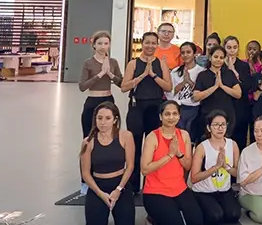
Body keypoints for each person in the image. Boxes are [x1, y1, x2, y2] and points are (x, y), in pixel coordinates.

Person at [140, 101, 204, 225]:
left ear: (179, 116)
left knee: (196, 223)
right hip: (156, 190)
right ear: (160, 117)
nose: (171, 117)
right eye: (167, 114)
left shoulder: (184, 135)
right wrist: (169, 155)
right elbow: (145, 169)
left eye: (174, 114)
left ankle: (175, 209)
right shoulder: (153, 137)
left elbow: (187, 165)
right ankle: (155, 215)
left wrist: (178, 153)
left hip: (179, 188)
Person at [122, 32, 172, 191]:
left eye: (153, 43)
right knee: (134, 147)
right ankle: (133, 185)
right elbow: (124, 87)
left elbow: (168, 87)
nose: (150, 46)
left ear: (157, 45)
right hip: (137, 108)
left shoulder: (161, 63)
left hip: (155, 108)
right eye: (147, 43)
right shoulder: (133, 64)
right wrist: (143, 75)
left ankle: (153, 184)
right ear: (142, 44)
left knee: (155, 149)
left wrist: (153, 74)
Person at [80, 101, 135, 225]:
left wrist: (118, 190)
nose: (103, 122)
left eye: (107, 118)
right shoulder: (88, 142)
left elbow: (130, 166)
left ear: (115, 120)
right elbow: (86, 174)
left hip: (120, 184)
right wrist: (101, 194)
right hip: (98, 185)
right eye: (100, 118)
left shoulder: (126, 136)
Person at [189, 110, 242, 225]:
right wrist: (216, 167)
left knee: (234, 215)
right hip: (204, 191)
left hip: (224, 191)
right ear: (209, 128)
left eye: (223, 124)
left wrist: (225, 167)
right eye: (216, 125)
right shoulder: (202, 147)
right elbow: (194, 178)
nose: (220, 128)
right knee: (215, 217)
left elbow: (238, 174)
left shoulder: (233, 145)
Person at [79, 31, 123, 139]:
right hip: (92, 100)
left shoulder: (113, 62)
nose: (103, 46)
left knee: (109, 134)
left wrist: (110, 74)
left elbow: (122, 83)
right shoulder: (88, 63)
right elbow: (82, 86)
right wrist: (100, 74)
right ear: (94, 45)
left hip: (108, 99)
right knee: (89, 134)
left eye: (106, 43)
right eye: (99, 43)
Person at [193, 45, 243, 136]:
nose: (218, 59)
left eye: (221, 57)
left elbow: (238, 94)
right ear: (210, 57)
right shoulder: (202, 75)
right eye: (216, 57)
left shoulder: (229, 74)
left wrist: (222, 86)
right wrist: (215, 87)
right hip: (207, 116)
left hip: (227, 116)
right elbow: (196, 97)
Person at [223, 35, 255, 150]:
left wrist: (234, 72)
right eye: (229, 47)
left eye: (235, 47)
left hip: (241, 107)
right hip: (225, 106)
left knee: (240, 140)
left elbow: (247, 87)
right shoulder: (219, 64)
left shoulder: (243, 65)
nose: (232, 50)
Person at [168, 41, 203, 139]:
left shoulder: (201, 71)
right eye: (183, 53)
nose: (185, 55)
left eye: (188, 52)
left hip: (194, 109)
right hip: (178, 108)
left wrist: (190, 82)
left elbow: (201, 93)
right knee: (178, 138)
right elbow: (170, 93)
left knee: (191, 138)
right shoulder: (175, 71)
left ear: (194, 54)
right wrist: (183, 82)